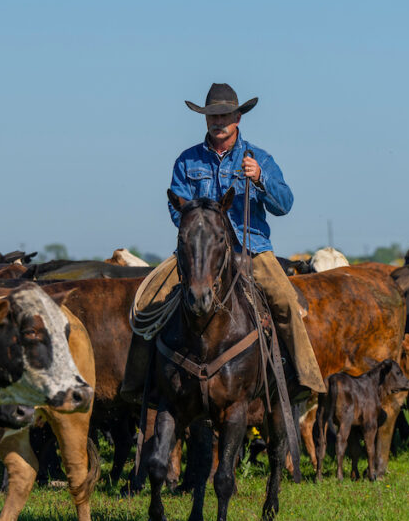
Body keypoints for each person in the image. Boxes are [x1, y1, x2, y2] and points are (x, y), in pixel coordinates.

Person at [121, 83, 326, 401]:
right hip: (199, 254)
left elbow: (284, 204)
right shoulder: (187, 163)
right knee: (148, 302)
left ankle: (305, 381)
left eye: (225, 115)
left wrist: (260, 178)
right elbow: (178, 211)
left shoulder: (259, 158)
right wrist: (198, 237)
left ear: (238, 118)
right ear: (205, 120)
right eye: (212, 116)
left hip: (252, 249)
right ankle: (134, 386)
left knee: (285, 301)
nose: (218, 121)